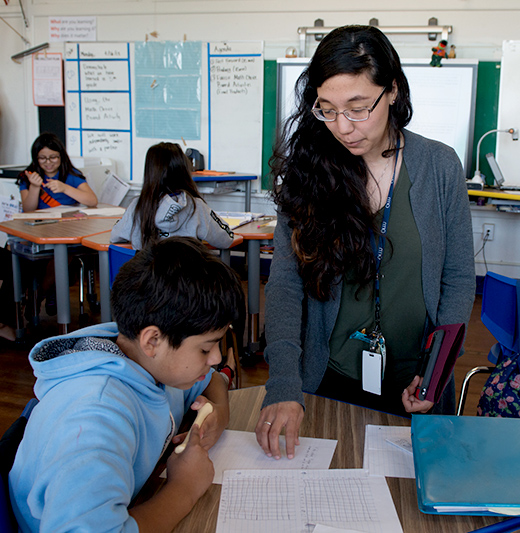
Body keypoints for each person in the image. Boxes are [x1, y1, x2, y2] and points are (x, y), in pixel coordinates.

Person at [255, 25, 475, 460]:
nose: (343, 127)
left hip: (416, 389)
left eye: (358, 108)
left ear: (391, 91)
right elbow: (284, 284)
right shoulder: (308, 174)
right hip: (327, 383)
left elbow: (458, 278)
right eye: (328, 109)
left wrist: (434, 376)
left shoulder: (439, 166)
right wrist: (283, 379)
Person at [9, 236, 245, 531]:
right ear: (153, 340)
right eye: (205, 348)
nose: (216, 358)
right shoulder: (94, 420)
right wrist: (184, 488)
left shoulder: (149, 360)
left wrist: (218, 415)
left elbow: (211, 382)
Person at [111, 142, 234, 250]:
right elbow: (226, 239)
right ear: (183, 170)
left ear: (150, 173)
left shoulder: (138, 207)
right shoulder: (197, 207)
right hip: (187, 276)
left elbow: (115, 236)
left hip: (148, 276)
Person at [19, 132, 98, 212]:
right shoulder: (28, 176)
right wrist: (34, 187)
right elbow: (28, 210)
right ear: (36, 158)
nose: (48, 162)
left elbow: (92, 201)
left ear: (61, 156)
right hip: (39, 221)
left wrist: (65, 188)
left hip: (67, 221)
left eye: (53, 157)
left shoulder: (71, 174)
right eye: (42, 158)